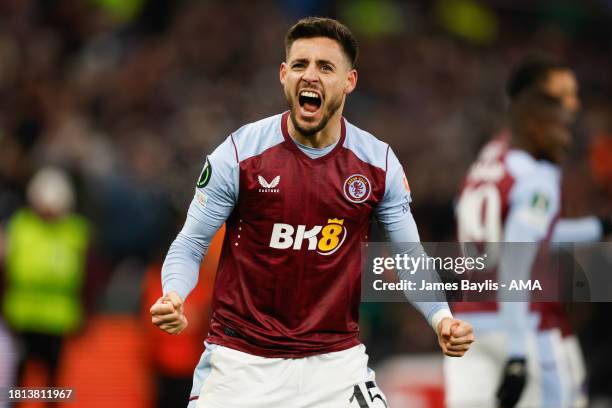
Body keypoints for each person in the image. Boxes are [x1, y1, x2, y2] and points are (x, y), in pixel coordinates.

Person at [150, 17, 474, 408]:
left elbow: (409, 257)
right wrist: (174, 294)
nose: (310, 76)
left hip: (335, 366)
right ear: (284, 75)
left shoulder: (377, 163)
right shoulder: (239, 154)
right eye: (300, 65)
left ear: (349, 81)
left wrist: (441, 317)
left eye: (325, 67)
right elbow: (191, 243)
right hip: (242, 366)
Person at [447, 57, 605, 408]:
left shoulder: (489, 158)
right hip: (524, 323)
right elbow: (516, 264)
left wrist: (599, 227)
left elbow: (519, 235)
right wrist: (518, 355)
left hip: (468, 321)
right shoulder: (536, 173)